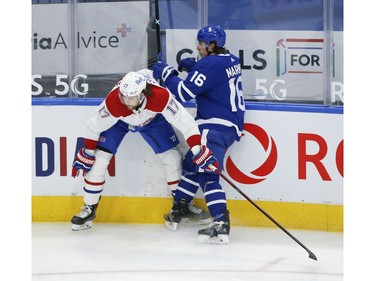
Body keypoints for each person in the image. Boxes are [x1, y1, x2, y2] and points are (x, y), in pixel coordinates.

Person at [70, 69, 216, 231]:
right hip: (119, 121)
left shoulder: (160, 97)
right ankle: (89, 208)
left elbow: (186, 123)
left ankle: (182, 205)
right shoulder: (114, 101)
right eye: (123, 95)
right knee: (98, 160)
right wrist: (88, 153)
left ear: (142, 94)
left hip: (152, 119)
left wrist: (198, 150)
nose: (126, 101)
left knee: (172, 157)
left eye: (131, 97)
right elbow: (92, 126)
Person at [152, 25, 245, 244]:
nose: (198, 46)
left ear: (212, 46)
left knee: (207, 174)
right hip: (228, 126)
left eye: (201, 44)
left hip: (213, 126)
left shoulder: (211, 64)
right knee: (192, 164)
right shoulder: (230, 60)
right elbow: (214, 76)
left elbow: (184, 92)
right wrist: (195, 67)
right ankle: (180, 208)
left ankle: (221, 224)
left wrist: (167, 73)